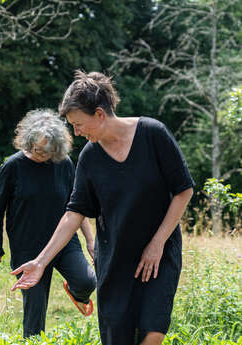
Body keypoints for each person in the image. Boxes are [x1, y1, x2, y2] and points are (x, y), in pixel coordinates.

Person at [11, 71, 194, 345]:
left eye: (79, 124)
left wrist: (157, 243)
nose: (76, 132)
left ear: (99, 114)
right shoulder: (90, 157)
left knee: (152, 333)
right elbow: (74, 213)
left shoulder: (153, 134)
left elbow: (184, 190)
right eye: (72, 126)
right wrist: (40, 262)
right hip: (115, 260)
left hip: (159, 255)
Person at [0, 109, 97, 338]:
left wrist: (89, 240)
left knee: (87, 281)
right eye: (37, 150)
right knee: (34, 318)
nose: (41, 155)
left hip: (63, 242)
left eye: (47, 152)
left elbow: (77, 206)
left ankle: (77, 294)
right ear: (27, 142)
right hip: (27, 247)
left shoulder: (64, 164)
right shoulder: (13, 166)